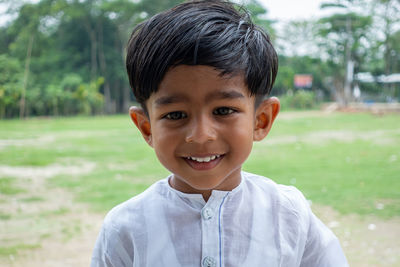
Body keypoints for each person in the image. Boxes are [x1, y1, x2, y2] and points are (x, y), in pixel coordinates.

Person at [91, 0, 348, 266]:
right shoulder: (126, 228)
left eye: (223, 110)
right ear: (146, 127)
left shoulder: (290, 216)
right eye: (176, 115)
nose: (201, 135)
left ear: (261, 120)